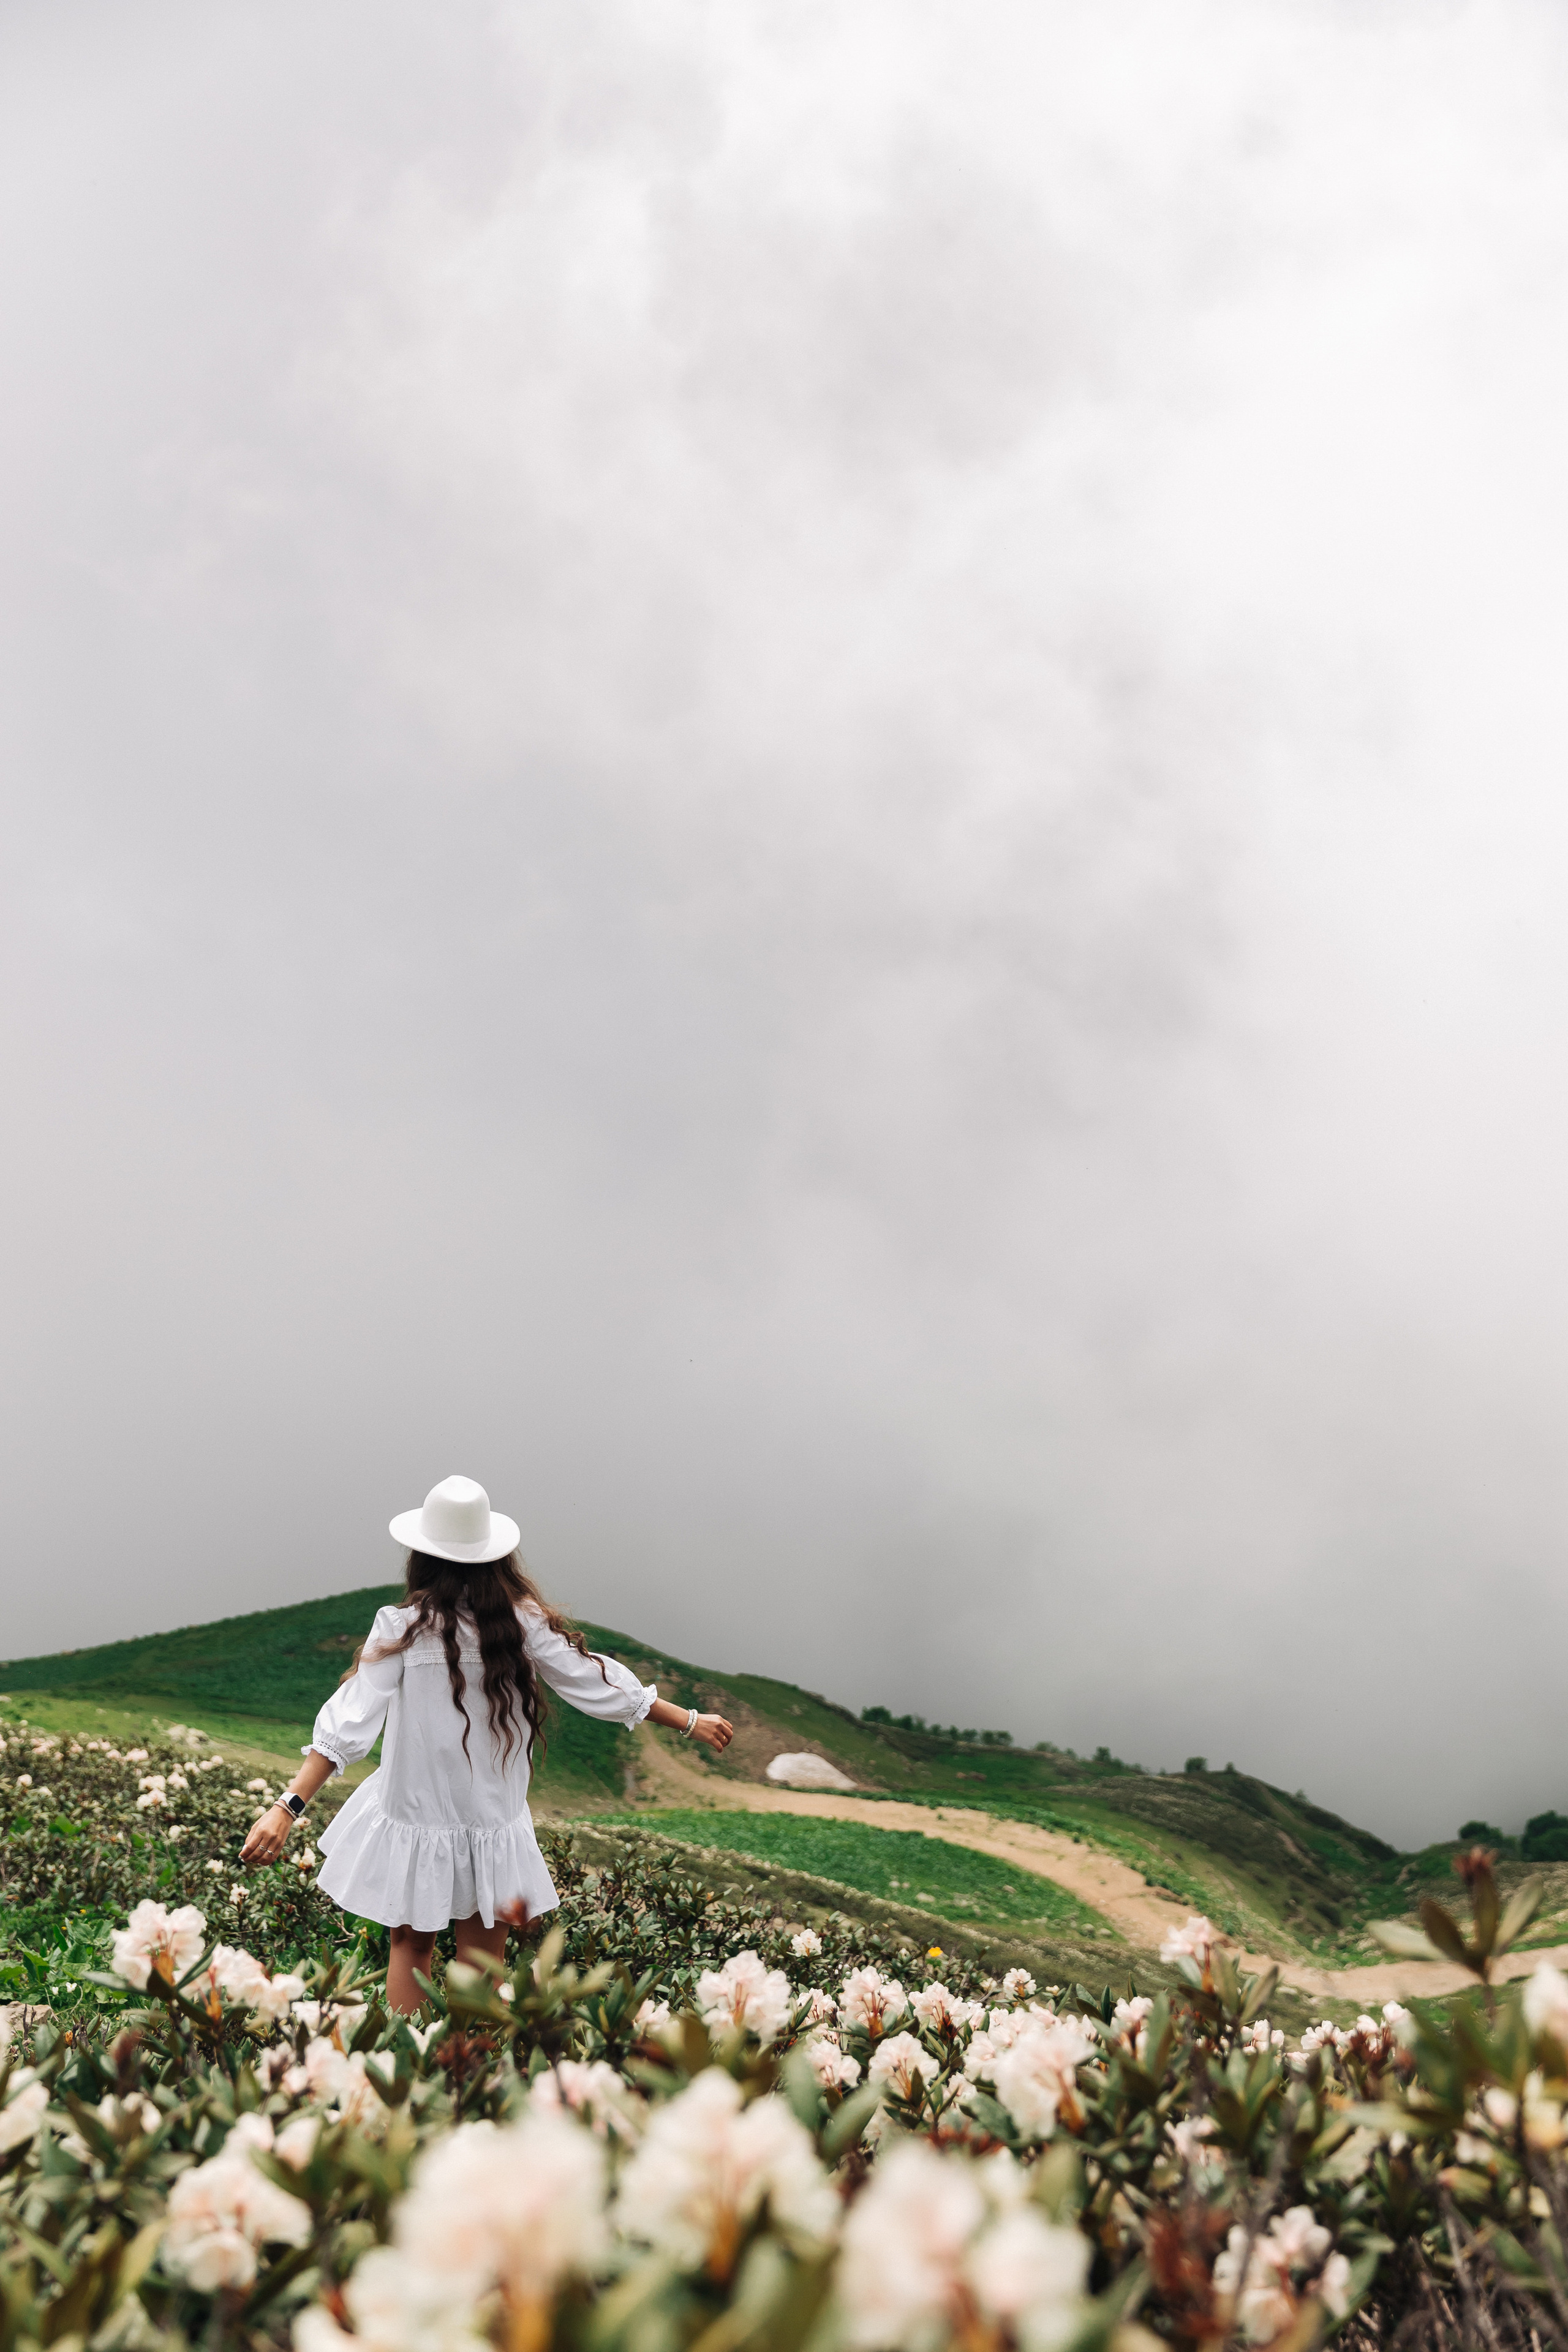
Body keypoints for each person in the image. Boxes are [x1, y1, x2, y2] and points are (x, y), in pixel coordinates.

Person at [239, 1474, 733, 2012]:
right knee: (483, 1965)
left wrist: (287, 1809)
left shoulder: (402, 1627)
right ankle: (471, 2084)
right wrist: (688, 1720)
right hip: (491, 1824)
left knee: (410, 1947)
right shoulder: (522, 1624)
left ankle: (405, 2071)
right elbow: (596, 1682)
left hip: (417, 1817)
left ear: (422, 1558)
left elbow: (350, 1722)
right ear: (495, 1557)